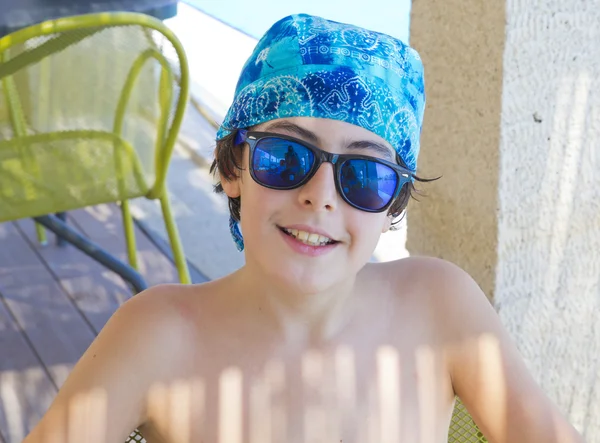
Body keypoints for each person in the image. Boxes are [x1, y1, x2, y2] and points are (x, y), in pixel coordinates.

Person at [24, 13, 584, 443]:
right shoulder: (159, 336)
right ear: (232, 167)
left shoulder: (441, 306)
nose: (318, 196)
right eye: (286, 157)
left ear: (392, 204)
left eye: (364, 176)